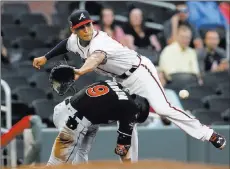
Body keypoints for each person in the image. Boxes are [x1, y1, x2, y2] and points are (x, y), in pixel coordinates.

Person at [33, 10, 227, 161]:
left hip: (140, 71)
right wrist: (45, 57)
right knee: (126, 117)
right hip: (121, 79)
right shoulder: (76, 40)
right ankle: (130, 163)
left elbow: (96, 58)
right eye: (81, 27)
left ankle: (209, 134)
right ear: (74, 30)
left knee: (162, 108)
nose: (86, 30)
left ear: (93, 24)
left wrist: (81, 71)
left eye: (88, 25)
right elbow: (66, 44)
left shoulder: (100, 40)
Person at [47, 80, 149, 165]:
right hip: (74, 121)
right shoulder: (132, 108)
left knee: (81, 157)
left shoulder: (115, 85)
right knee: (58, 165)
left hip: (66, 109)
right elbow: (121, 149)